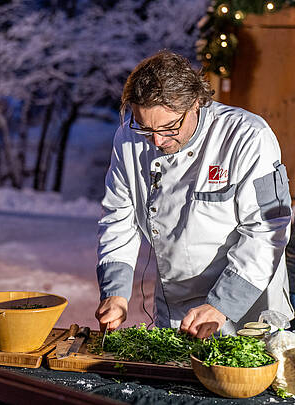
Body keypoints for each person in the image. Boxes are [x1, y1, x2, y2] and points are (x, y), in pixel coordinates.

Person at [95, 50, 293, 338]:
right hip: (175, 306)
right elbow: (118, 218)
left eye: (168, 127)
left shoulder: (248, 137)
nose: (158, 141)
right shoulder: (128, 139)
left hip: (248, 309)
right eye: (146, 128)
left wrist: (220, 304)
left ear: (196, 103)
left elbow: (267, 231)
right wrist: (115, 291)